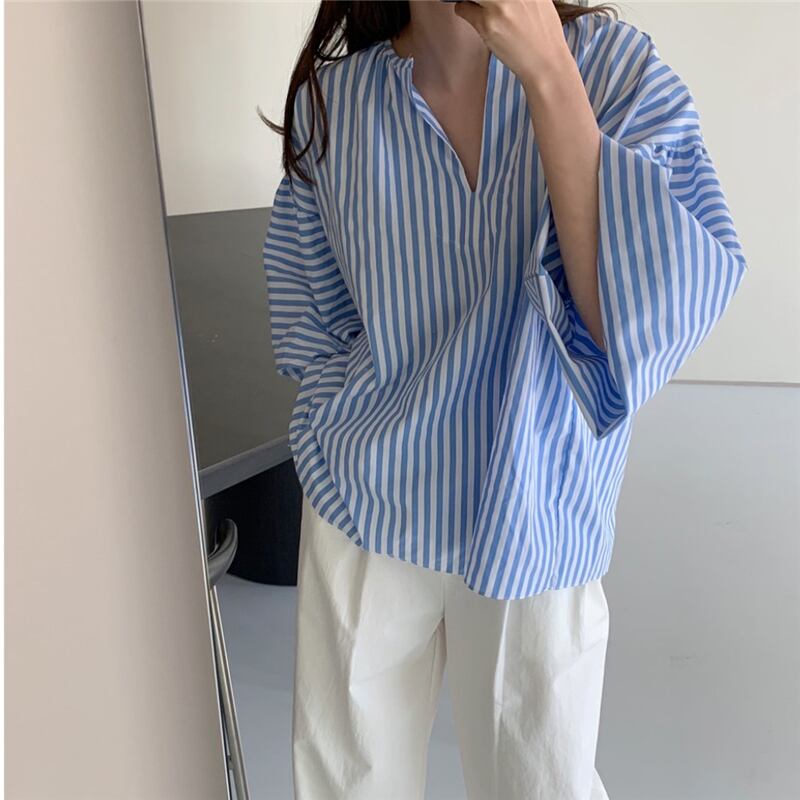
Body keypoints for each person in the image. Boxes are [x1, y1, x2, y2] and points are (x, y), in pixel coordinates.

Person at [260, 1, 748, 798]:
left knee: (542, 783)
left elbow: (643, 321)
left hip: (537, 501)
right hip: (366, 498)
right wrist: (336, 413)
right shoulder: (338, 101)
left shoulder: (612, 70)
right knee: (349, 782)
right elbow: (313, 309)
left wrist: (549, 73)